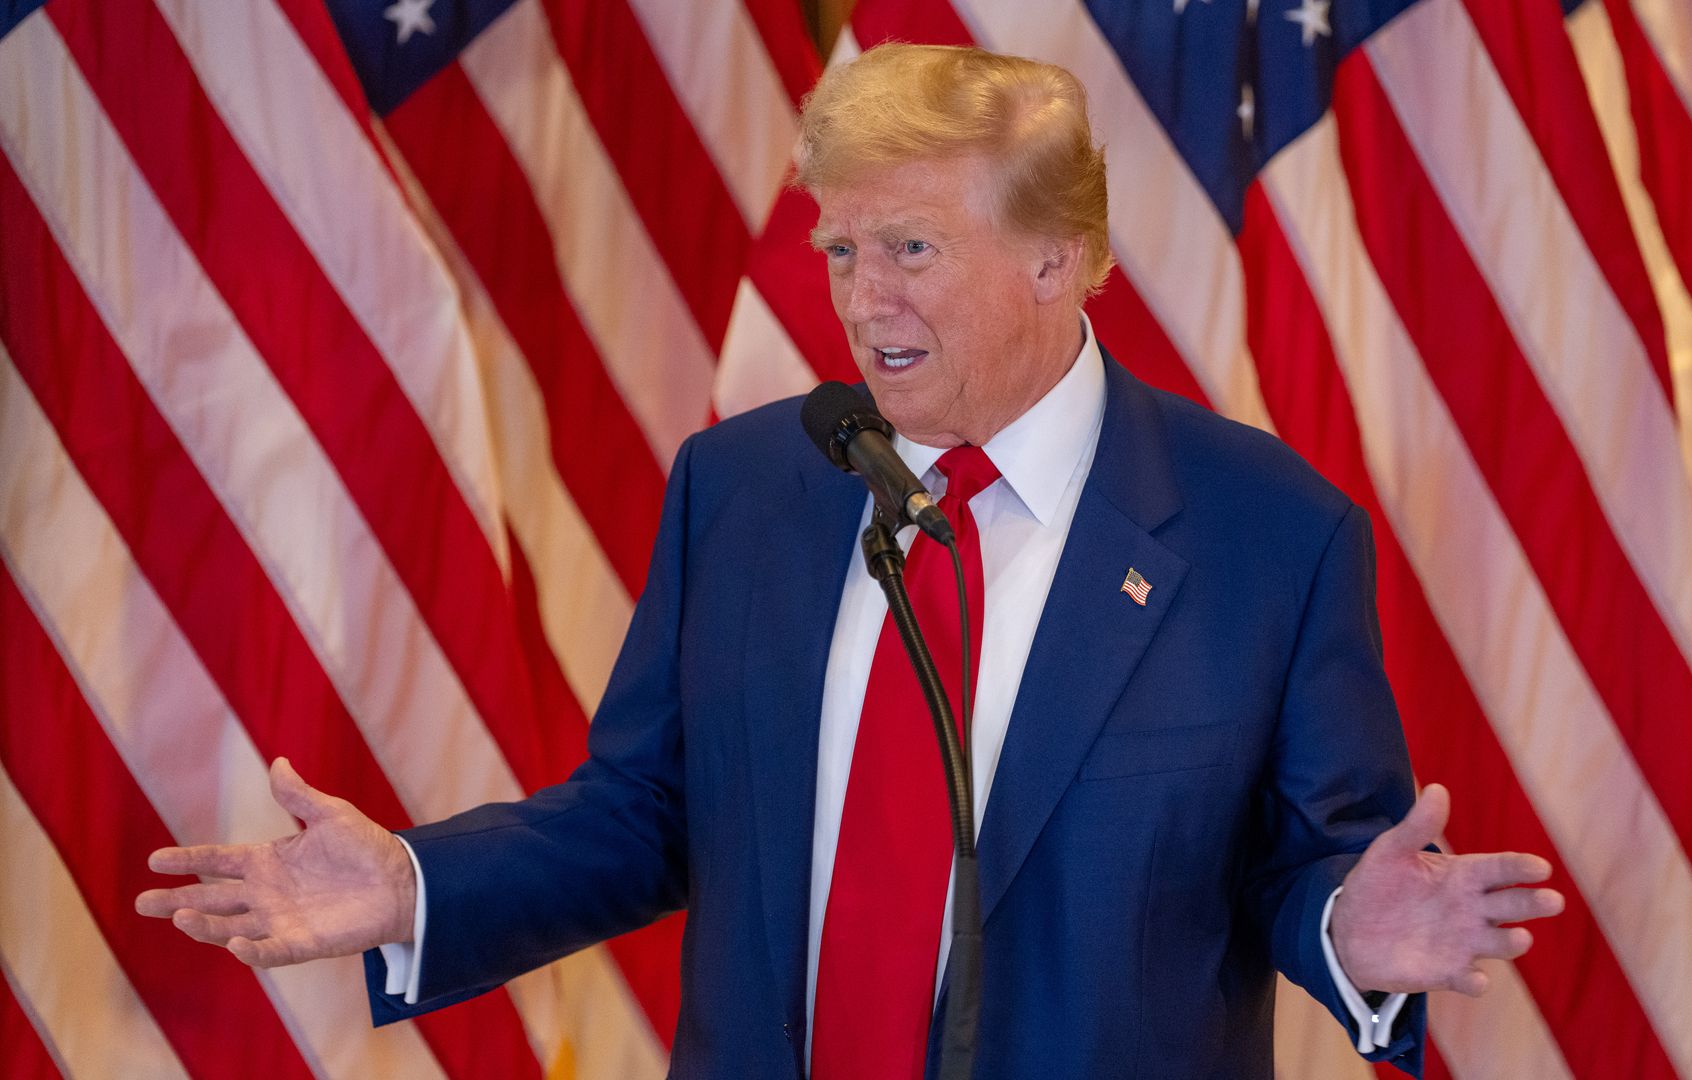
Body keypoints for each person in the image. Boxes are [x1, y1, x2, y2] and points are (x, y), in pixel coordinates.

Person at [137, 44, 1562, 1079]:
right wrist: (412, 887)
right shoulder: (748, 485)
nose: (862, 299)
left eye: (913, 249)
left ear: (1060, 262)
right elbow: (645, 815)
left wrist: (1347, 930)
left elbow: (1300, 865)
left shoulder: (1268, 532)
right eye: (840, 248)